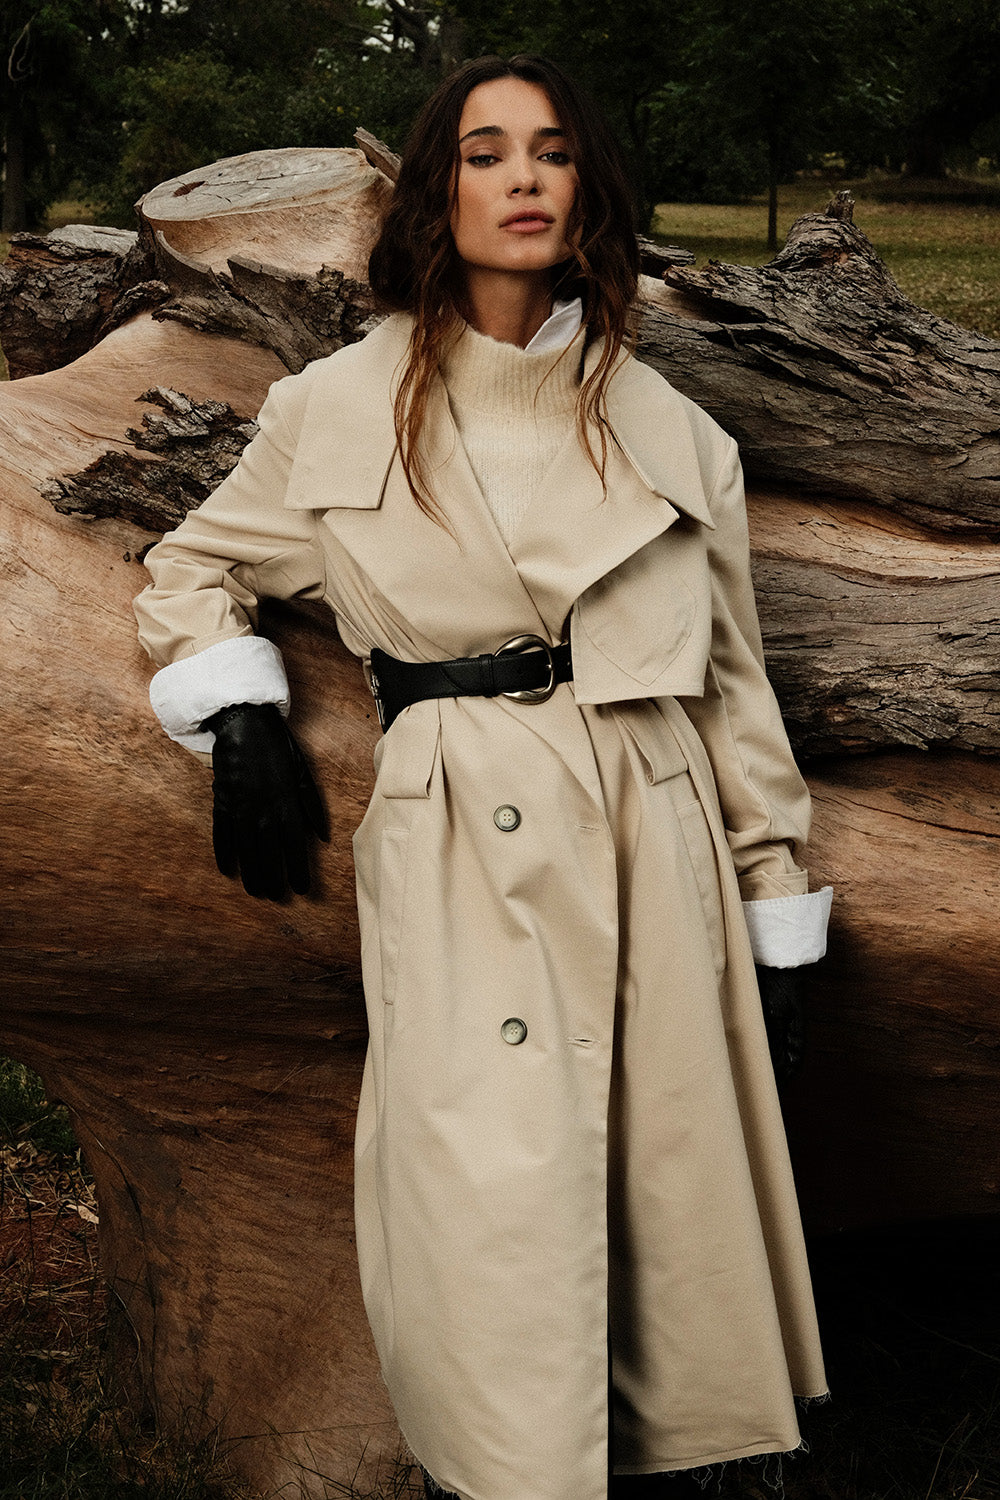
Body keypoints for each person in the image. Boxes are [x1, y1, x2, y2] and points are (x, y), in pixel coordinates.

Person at [134, 53, 832, 1500]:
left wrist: (773, 892)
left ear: (589, 191)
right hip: (459, 827)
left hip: (650, 822)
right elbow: (196, 564)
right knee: (484, 1185)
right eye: (485, 152)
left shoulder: (671, 432)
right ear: (434, 192)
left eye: (554, 153)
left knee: (663, 1193)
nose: (522, 179)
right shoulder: (337, 402)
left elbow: (735, 681)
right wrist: (238, 708)